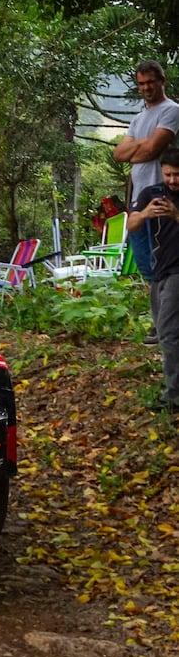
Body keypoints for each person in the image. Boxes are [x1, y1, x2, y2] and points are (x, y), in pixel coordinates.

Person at [114, 60, 179, 343]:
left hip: (162, 194)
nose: (146, 88)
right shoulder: (139, 118)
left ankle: (164, 326)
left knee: (162, 263)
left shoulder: (173, 111)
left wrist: (138, 148)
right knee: (146, 264)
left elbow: (153, 148)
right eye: (141, 83)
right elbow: (120, 153)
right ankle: (161, 322)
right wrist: (139, 148)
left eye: (150, 82)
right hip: (139, 196)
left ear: (161, 81)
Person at [127, 147, 179, 412]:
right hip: (159, 270)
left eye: (177, 175)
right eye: (168, 175)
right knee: (163, 332)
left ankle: (173, 397)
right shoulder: (151, 194)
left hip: (177, 273)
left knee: (169, 333)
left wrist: (175, 215)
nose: (172, 181)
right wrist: (146, 213)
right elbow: (131, 225)